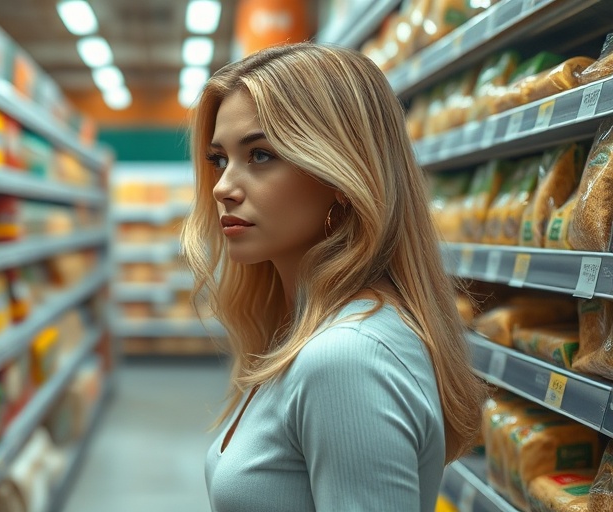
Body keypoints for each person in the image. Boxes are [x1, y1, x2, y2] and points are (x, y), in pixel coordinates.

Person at [180, 42, 489, 511]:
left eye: (260, 155)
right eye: (219, 159)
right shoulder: (303, 329)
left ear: (342, 177)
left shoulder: (347, 357)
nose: (223, 187)